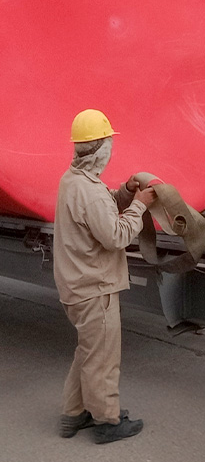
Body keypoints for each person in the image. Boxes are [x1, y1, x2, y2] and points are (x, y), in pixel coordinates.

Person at [53, 109, 156, 444]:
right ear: (101, 149)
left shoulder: (72, 180)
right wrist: (139, 205)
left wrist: (125, 192)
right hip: (95, 288)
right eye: (109, 142)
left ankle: (74, 414)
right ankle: (107, 421)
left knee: (88, 352)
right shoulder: (90, 191)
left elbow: (100, 209)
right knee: (103, 359)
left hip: (76, 285)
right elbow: (115, 235)